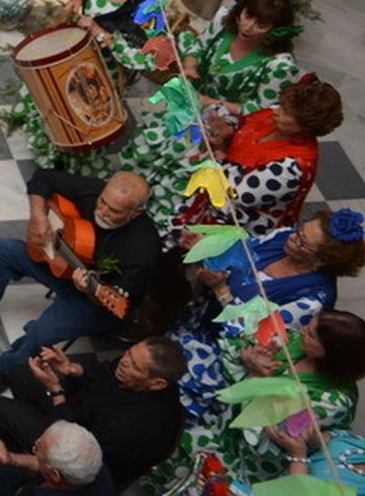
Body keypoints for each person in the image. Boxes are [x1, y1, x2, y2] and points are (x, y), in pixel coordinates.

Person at [0, 168, 160, 397]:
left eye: (114, 211)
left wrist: (88, 290)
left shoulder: (144, 251)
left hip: (96, 301)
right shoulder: (95, 189)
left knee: (43, 331)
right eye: (102, 202)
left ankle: (6, 370)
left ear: (136, 212)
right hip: (63, 267)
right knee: (3, 250)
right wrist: (38, 217)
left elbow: (121, 304)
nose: (103, 211)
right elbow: (43, 178)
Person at [122, 0, 305, 225]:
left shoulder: (279, 65)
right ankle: (124, 199)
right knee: (148, 149)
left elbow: (260, 110)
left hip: (216, 129)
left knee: (178, 177)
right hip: (185, 107)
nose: (248, 27)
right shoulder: (223, 22)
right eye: (248, 16)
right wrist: (190, 66)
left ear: (275, 30)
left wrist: (211, 103)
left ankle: (150, 221)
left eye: (260, 25)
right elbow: (198, 47)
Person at [172, 212, 363, 438]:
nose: (293, 238)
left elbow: (255, 333)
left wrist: (221, 289)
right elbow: (241, 252)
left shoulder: (313, 298)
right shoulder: (283, 237)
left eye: (303, 243)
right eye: (300, 230)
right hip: (199, 317)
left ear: (322, 261)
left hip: (225, 351)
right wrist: (208, 248)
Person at [179, 308, 365, 483]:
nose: (302, 331)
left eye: (311, 335)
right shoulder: (297, 344)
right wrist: (251, 357)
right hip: (223, 427)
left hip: (246, 459)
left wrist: (257, 379)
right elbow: (246, 344)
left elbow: (278, 433)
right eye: (308, 327)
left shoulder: (333, 402)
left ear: (331, 354)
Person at [151, 77, 341, 242]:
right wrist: (227, 127)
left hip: (234, 222)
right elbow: (245, 122)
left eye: (286, 113)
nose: (276, 111)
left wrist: (220, 152)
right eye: (282, 105)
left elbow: (232, 196)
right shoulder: (275, 117)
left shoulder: (291, 168)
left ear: (305, 126)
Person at [20, 0, 158, 177]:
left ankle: (64, 168)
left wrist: (101, 33)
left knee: (80, 119)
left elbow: (144, 59)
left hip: (100, 71)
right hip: (72, 52)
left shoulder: (148, 6)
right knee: (48, 97)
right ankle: (45, 149)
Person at [0, 339, 185, 487]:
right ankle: (28, 445)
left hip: (81, 457)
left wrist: (55, 390)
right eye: (128, 353)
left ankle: (23, 464)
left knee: (1, 408)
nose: (124, 362)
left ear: (157, 384)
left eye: (135, 365)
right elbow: (105, 373)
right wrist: (72, 369)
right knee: (19, 374)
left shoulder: (127, 427)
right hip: (84, 413)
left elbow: (74, 449)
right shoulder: (139, 373)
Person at [0, 418, 114, 496]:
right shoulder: (94, 468)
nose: (35, 444)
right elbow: (44, 465)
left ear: (55, 476)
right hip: (28, 486)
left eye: (37, 448)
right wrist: (11, 459)